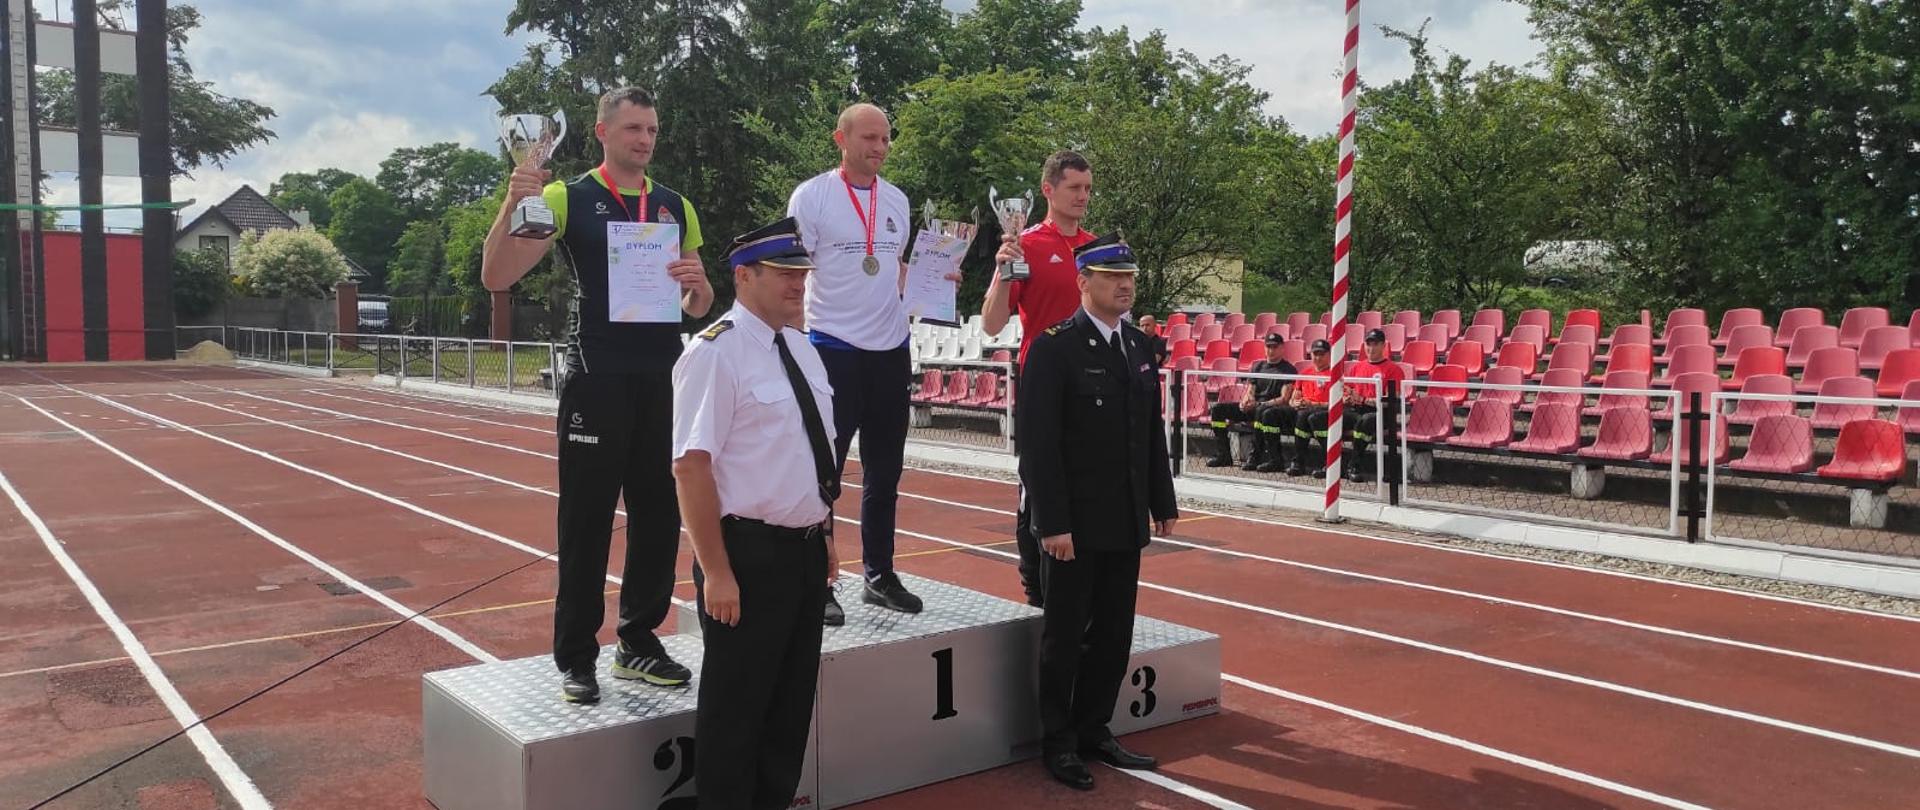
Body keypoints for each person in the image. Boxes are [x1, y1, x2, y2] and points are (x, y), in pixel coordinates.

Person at [480, 86, 712, 703]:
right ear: (602, 131)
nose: (645, 139)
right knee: (586, 519)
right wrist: (512, 203)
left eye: (653, 130)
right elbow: (497, 275)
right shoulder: (566, 196)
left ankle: (639, 642)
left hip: (662, 376)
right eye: (633, 128)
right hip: (596, 374)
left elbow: (700, 303)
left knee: (661, 515)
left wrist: (696, 286)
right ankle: (576, 656)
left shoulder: (673, 205)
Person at [671, 217, 840, 810]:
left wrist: (827, 533)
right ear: (744, 276)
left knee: (790, 706)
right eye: (785, 274)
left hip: (803, 550)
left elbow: (813, 452)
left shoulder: (802, 347)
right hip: (746, 552)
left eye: (802, 274)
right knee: (736, 708)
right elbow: (691, 468)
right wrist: (715, 571)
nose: (799, 285)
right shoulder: (715, 353)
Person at [1017, 233, 1177, 792]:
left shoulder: (1136, 347)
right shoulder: (1055, 347)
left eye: (1128, 276)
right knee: (1065, 636)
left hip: (1123, 517)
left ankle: (1094, 727)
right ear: (1084, 282)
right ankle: (1058, 741)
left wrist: (1162, 501)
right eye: (1111, 276)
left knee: (1113, 633)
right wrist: (1051, 523)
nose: (1124, 285)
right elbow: (1038, 446)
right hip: (1074, 524)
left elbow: (1148, 432)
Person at [787, 103, 930, 623]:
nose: (880, 147)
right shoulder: (812, 196)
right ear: (840, 140)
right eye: (869, 137)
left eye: (886, 138)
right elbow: (794, 269)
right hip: (832, 348)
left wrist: (933, 282)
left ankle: (879, 574)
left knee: (885, 471)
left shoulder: (897, 201)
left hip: (891, 350)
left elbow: (892, 268)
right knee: (822, 472)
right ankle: (818, 578)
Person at [980, 149, 1098, 608]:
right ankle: (1034, 581)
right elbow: (991, 324)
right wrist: (1001, 269)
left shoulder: (1095, 247)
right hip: (1042, 380)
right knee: (1039, 479)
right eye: (1074, 188)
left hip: (1092, 381)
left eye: (1088, 189)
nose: (1083, 197)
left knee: (1088, 476)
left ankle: (1085, 577)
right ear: (1048, 190)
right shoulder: (1025, 243)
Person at [1205, 333, 1296, 471]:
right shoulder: (1258, 366)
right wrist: (1245, 401)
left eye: (1274, 347)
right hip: (1255, 406)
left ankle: (1257, 457)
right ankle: (1223, 455)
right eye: (1268, 346)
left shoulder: (1288, 369)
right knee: (1218, 409)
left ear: (1282, 348)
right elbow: (1250, 390)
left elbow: (1284, 398)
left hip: (1272, 410)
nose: (1270, 350)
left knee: (1262, 412)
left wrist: (1259, 404)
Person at [1342, 328, 1407, 483]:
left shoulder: (1393, 369)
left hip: (1380, 414)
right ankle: (1331, 465)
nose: (1371, 348)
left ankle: (1354, 465)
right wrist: (1347, 397)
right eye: (1368, 343)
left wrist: (1364, 399)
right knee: (1323, 418)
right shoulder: (1357, 367)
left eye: (1375, 344)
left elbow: (1391, 399)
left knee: (1364, 421)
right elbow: (1348, 388)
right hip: (1356, 409)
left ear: (1383, 346)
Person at [1284, 339, 1335, 477]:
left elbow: (1337, 403)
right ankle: (1298, 463)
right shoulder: (1305, 373)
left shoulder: (1334, 375)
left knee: (1308, 417)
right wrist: (1294, 403)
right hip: (1304, 411)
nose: (1317, 357)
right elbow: (1294, 398)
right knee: (1276, 414)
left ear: (1329, 355)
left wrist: (1314, 405)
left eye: (1321, 354)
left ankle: (1330, 463)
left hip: (1325, 412)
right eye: (1315, 354)